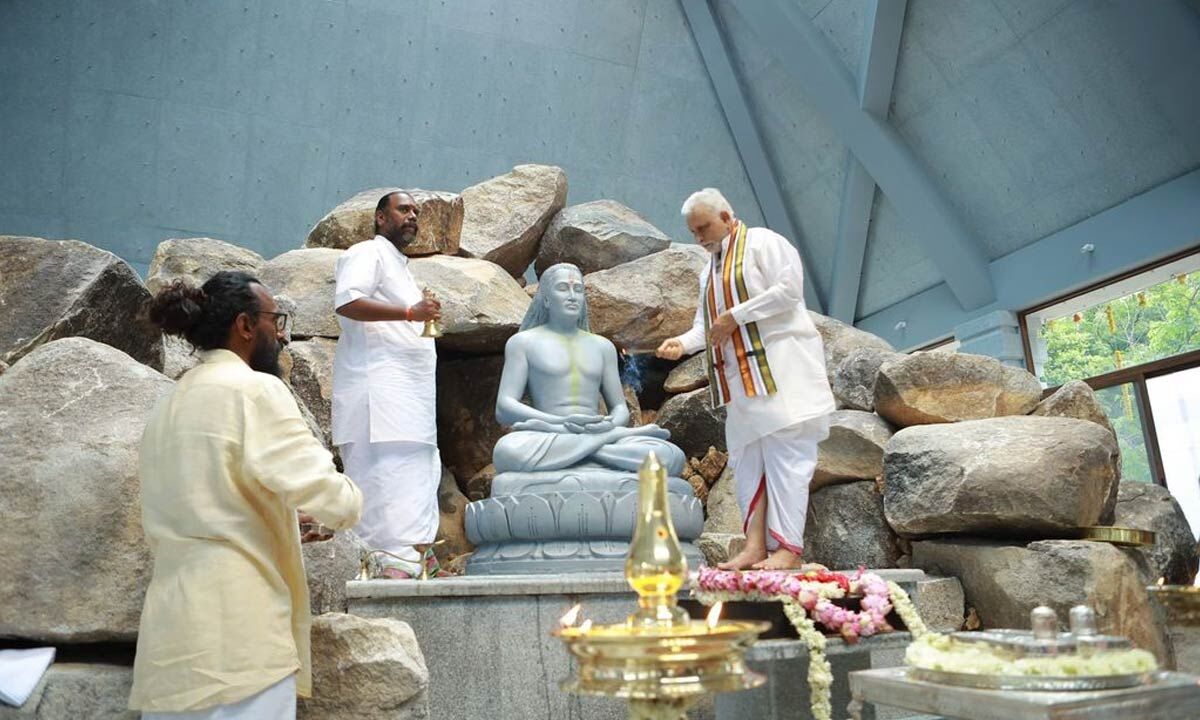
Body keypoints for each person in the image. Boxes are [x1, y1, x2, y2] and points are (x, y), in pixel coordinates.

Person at [130, 271, 363, 719]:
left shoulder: (168, 403)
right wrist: (351, 498)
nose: (280, 334)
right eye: (275, 320)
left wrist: (277, 518)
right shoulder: (255, 390)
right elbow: (332, 497)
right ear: (244, 325)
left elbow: (206, 503)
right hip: (239, 636)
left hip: (168, 642)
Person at [657, 188, 835, 571]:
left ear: (725, 217)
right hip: (742, 384)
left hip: (781, 370)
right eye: (693, 232)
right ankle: (754, 545)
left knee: (787, 458)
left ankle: (788, 548)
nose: (699, 237)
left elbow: (789, 293)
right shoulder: (710, 270)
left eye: (703, 227)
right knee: (747, 460)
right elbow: (706, 328)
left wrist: (735, 316)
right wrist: (681, 344)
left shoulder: (764, 243)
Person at [332, 190, 443, 579]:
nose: (412, 215)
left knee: (415, 478)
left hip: (409, 405)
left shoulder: (402, 269)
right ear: (381, 218)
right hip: (377, 399)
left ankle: (415, 564)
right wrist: (411, 312)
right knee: (383, 486)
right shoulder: (367, 252)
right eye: (403, 209)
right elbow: (348, 302)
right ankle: (385, 570)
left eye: (416, 211)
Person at [492, 262, 686, 476]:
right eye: (563, 288)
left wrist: (609, 425)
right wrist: (560, 423)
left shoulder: (602, 346)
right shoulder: (523, 343)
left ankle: (586, 451)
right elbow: (504, 407)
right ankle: (597, 450)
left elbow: (620, 409)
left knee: (670, 456)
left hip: (593, 432)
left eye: (578, 289)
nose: (572, 296)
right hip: (550, 432)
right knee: (507, 451)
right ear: (545, 299)